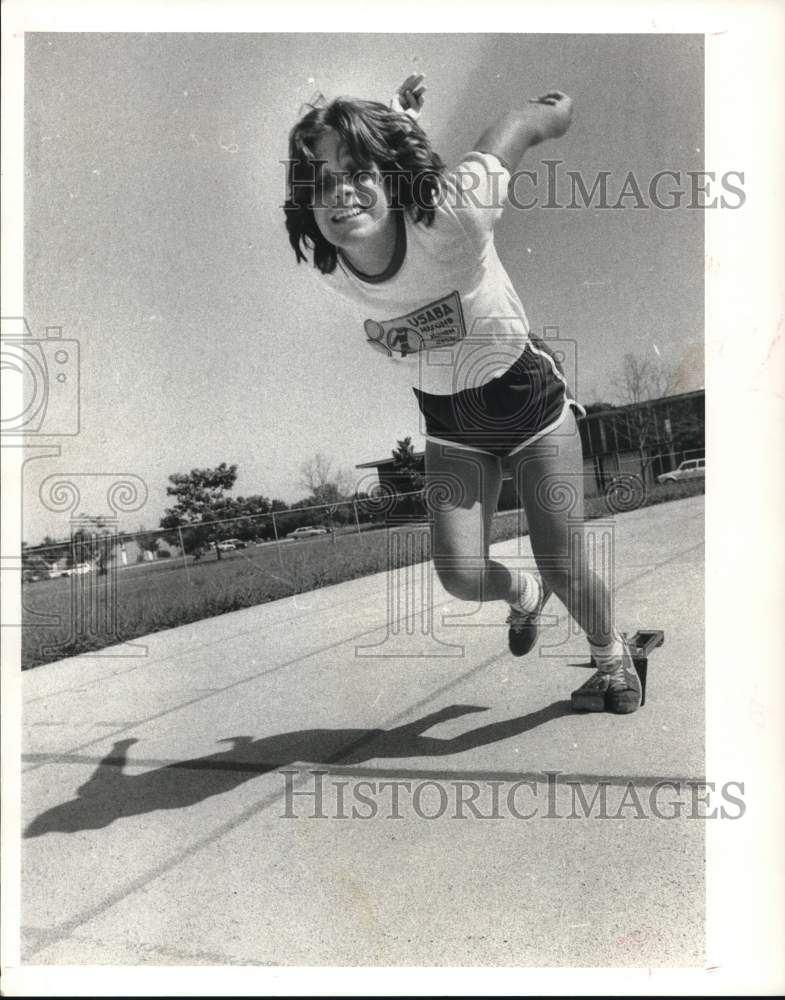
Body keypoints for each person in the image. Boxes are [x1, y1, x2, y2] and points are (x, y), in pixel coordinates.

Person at [284, 74, 641, 714]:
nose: (339, 193)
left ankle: (612, 658)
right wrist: (396, 124)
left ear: (393, 177)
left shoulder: (457, 214)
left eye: (357, 171)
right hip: (452, 426)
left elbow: (509, 134)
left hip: (532, 407)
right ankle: (523, 597)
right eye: (320, 181)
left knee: (562, 561)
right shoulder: (332, 267)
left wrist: (550, 109)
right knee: (458, 573)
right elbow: (378, 181)